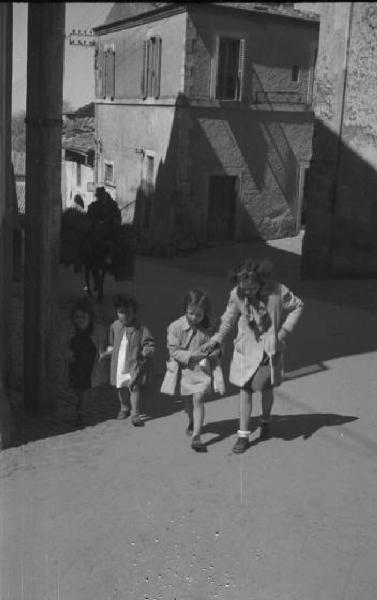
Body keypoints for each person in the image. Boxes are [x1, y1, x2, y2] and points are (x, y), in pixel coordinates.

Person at [201, 258, 304, 454]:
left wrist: (283, 333)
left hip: (269, 350)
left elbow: (298, 306)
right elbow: (228, 320)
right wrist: (217, 340)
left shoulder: (277, 291)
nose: (247, 292)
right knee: (245, 391)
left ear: (261, 281)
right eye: (243, 288)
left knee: (266, 389)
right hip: (246, 351)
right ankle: (243, 435)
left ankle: (265, 420)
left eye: (252, 288)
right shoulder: (237, 294)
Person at [161, 289, 225, 452]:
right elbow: (173, 350)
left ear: (205, 312)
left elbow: (218, 344)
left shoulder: (211, 324)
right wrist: (191, 356)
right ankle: (192, 420)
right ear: (185, 309)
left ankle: (197, 435)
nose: (194, 318)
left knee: (198, 398)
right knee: (188, 401)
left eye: (199, 315)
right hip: (184, 371)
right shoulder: (175, 327)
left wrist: (216, 351)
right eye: (191, 313)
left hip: (203, 371)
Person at [101, 295, 155, 426]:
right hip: (119, 364)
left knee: (134, 387)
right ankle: (124, 407)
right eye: (121, 312)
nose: (125, 315)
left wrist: (145, 352)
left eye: (128, 312)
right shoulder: (114, 326)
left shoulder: (140, 328)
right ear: (117, 313)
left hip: (133, 363)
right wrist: (107, 352)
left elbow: (149, 343)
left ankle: (135, 413)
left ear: (134, 312)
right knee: (121, 388)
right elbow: (112, 343)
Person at [61, 297, 108, 428]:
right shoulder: (71, 330)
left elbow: (103, 346)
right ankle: (80, 408)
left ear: (90, 317)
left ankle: (81, 414)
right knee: (77, 389)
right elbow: (64, 344)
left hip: (89, 367)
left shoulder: (96, 330)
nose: (79, 320)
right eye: (77, 317)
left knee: (84, 390)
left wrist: (104, 356)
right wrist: (67, 353)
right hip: (75, 366)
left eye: (83, 317)